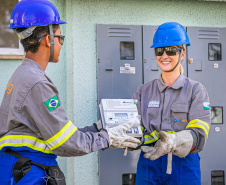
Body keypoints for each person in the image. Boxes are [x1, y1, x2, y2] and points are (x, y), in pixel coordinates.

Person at [0, 0, 140, 184]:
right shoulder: (37, 83)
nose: (61, 43)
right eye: (60, 38)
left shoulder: (23, 74)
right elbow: (64, 142)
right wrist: (107, 138)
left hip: (17, 167)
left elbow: (56, 132)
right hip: (28, 172)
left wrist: (97, 129)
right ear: (48, 39)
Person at [133, 22, 211, 185]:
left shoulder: (196, 90)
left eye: (171, 51)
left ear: (182, 54)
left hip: (183, 166)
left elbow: (199, 133)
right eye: (159, 51)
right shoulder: (143, 92)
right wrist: (126, 137)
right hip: (149, 163)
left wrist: (174, 141)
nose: (164, 56)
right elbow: (136, 128)